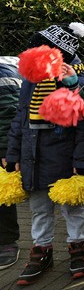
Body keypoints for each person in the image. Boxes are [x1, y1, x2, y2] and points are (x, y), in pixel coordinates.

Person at [6, 23, 84, 285]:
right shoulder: (29, 83)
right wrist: (13, 154)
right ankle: (41, 249)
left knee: (72, 209)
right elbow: (20, 118)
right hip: (33, 157)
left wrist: (81, 160)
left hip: (65, 158)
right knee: (39, 209)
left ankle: (78, 248)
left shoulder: (75, 80)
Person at [0, 57, 22, 270]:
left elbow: (9, 115)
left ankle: (6, 242)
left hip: (2, 142)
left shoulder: (4, 76)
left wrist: (6, 151)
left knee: (2, 193)